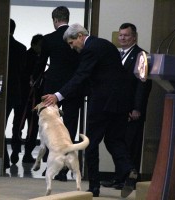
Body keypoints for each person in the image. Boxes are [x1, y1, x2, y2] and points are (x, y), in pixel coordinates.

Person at [42, 23, 137, 198]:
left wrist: (58, 95)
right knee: (115, 139)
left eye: (72, 43)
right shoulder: (106, 44)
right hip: (120, 103)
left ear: (79, 36)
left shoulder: (90, 49)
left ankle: (94, 187)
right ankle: (128, 169)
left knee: (91, 144)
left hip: (102, 103)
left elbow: (81, 75)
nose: (72, 47)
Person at [32, 6, 85, 181]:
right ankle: (65, 169)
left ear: (55, 20)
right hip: (74, 87)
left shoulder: (48, 39)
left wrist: (34, 80)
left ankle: (52, 166)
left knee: (51, 125)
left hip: (52, 87)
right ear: (67, 18)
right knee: (69, 127)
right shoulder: (77, 38)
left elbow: (40, 64)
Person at [101, 23, 152, 189]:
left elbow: (142, 85)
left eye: (126, 35)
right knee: (118, 143)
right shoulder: (116, 54)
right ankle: (118, 178)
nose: (122, 38)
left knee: (131, 144)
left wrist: (137, 108)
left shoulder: (141, 55)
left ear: (134, 37)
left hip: (132, 109)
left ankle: (129, 181)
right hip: (117, 109)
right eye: (121, 35)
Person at [11, 34, 43, 164]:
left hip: (35, 99)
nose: (42, 48)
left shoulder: (41, 58)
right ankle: (15, 151)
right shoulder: (25, 55)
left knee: (33, 126)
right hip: (23, 97)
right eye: (40, 45)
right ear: (34, 44)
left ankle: (27, 153)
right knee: (18, 124)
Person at [5, 19, 26, 168]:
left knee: (1, 124)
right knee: (17, 124)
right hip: (17, 90)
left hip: (2, 91)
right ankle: (16, 150)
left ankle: (4, 158)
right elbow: (23, 71)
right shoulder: (21, 48)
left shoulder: (0, 46)